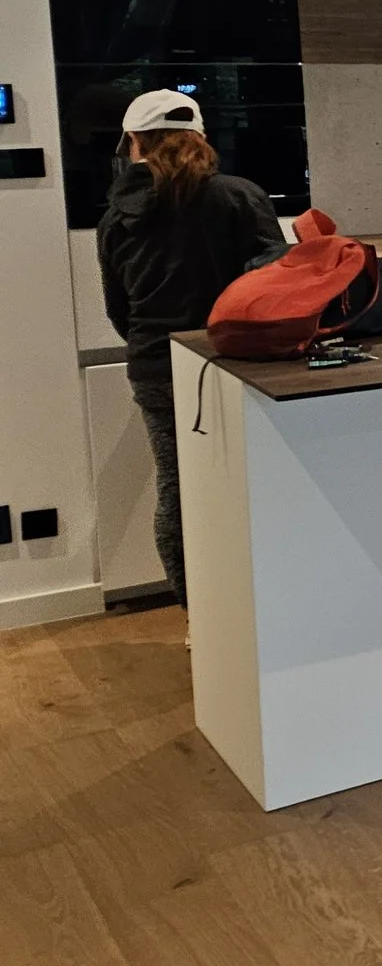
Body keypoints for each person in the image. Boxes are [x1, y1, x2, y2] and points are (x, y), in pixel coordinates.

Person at [94, 89, 285, 608]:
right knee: (256, 485)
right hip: (241, 364)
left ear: (132, 143)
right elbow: (275, 287)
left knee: (179, 494)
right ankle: (259, 614)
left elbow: (119, 309)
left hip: (158, 366)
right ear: (200, 137)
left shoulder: (116, 215)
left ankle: (199, 619)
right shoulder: (240, 195)